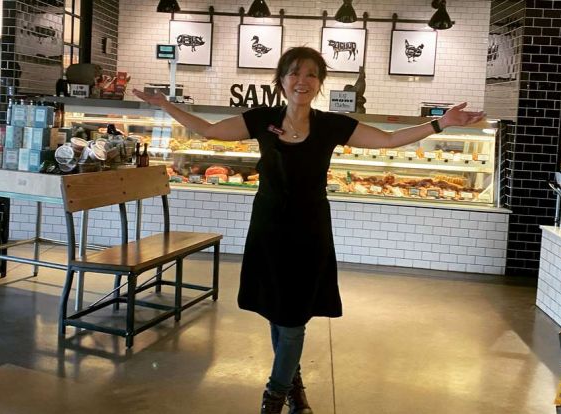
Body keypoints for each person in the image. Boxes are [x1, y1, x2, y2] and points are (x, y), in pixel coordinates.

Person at [133, 46, 484, 414]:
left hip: (310, 231)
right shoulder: (262, 119)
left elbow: (388, 139)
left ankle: (273, 396)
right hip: (268, 228)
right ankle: (294, 386)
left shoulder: (331, 125)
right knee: (278, 310)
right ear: (281, 80)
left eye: (311, 74)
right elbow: (208, 130)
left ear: (320, 83)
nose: (303, 80)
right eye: (295, 73)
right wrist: (165, 104)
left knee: (293, 318)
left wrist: (442, 122)